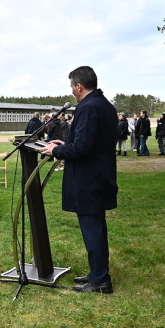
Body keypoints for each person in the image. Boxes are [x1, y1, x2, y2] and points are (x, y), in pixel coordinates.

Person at [42, 66, 117, 294]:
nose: (72, 91)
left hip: (89, 179)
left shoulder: (88, 106)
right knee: (96, 227)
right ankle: (97, 272)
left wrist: (56, 151)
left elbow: (83, 148)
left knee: (93, 229)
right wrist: (66, 145)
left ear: (79, 86)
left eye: (72, 87)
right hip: (100, 175)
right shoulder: (104, 105)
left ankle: (100, 280)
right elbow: (91, 142)